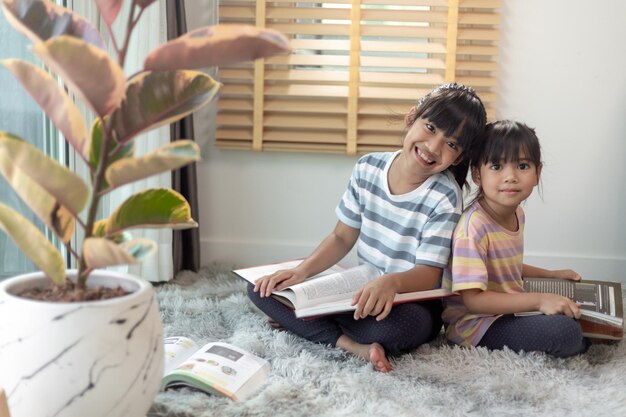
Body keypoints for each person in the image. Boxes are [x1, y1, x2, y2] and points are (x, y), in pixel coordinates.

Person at [247, 83, 487, 372]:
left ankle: (308, 320)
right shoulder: (368, 167)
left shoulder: (445, 196)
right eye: (431, 127)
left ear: (458, 158)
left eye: (451, 144)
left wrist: (391, 283)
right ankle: (349, 344)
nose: (433, 147)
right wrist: (301, 272)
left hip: (410, 301)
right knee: (259, 288)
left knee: (397, 330)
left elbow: (429, 273)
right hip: (361, 291)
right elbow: (340, 236)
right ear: (411, 118)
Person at [442, 120, 590, 358]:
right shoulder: (472, 229)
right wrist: (539, 301)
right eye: (497, 166)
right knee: (565, 332)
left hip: (507, 310)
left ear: (537, 173)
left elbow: (504, 265)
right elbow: (474, 301)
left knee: (576, 311)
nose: (510, 177)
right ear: (477, 174)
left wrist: (551, 275)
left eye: (522, 166)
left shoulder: (517, 213)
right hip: (476, 325)